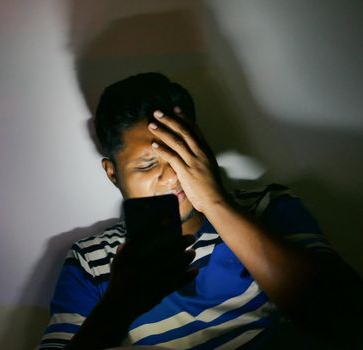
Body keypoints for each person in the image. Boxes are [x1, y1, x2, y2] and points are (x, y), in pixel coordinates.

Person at [38, 73, 362, 349]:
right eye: (149, 164)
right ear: (113, 173)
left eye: (181, 153)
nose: (172, 175)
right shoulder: (91, 261)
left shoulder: (266, 206)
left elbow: (346, 318)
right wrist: (119, 306)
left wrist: (216, 203)